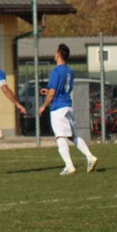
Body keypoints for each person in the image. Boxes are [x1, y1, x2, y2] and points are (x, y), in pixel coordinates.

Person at [37, 44, 98, 175]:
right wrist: (47, 91)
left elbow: (53, 93)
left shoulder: (56, 71)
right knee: (73, 136)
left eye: (55, 52)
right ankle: (90, 156)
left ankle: (69, 165)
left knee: (60, 137)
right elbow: (61, 89)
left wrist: (43, 106)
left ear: (58, 54)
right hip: (68, 106)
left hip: (58, 108)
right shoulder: (69, 71)